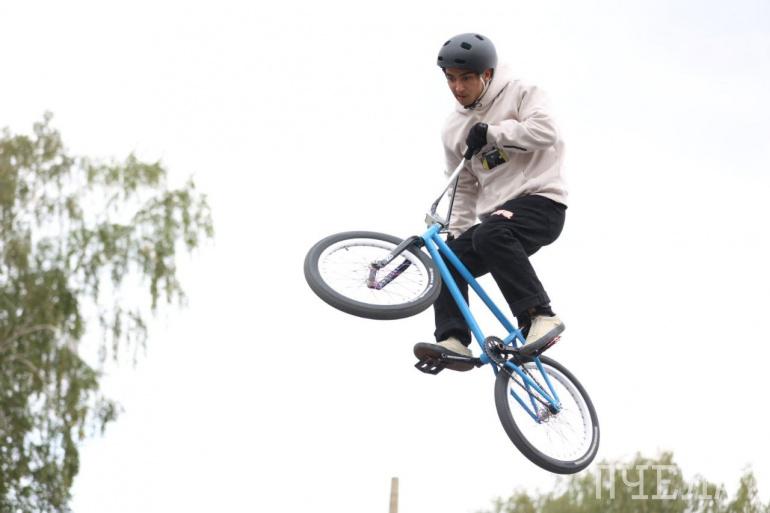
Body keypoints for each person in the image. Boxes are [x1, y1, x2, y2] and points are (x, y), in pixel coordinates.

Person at [414, 33, 568, 371]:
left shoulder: (522, 93)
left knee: (491, 232)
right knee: (446, 260)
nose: (458, 88)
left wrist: (494, 133)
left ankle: (540, 316)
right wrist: (456, 233)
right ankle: (454, 341)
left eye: (466, 78)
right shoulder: (453, 129)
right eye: (450, 79)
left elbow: (547, 132)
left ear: (486, 74)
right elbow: (464, 186)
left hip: (541, 203)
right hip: (498, 219)